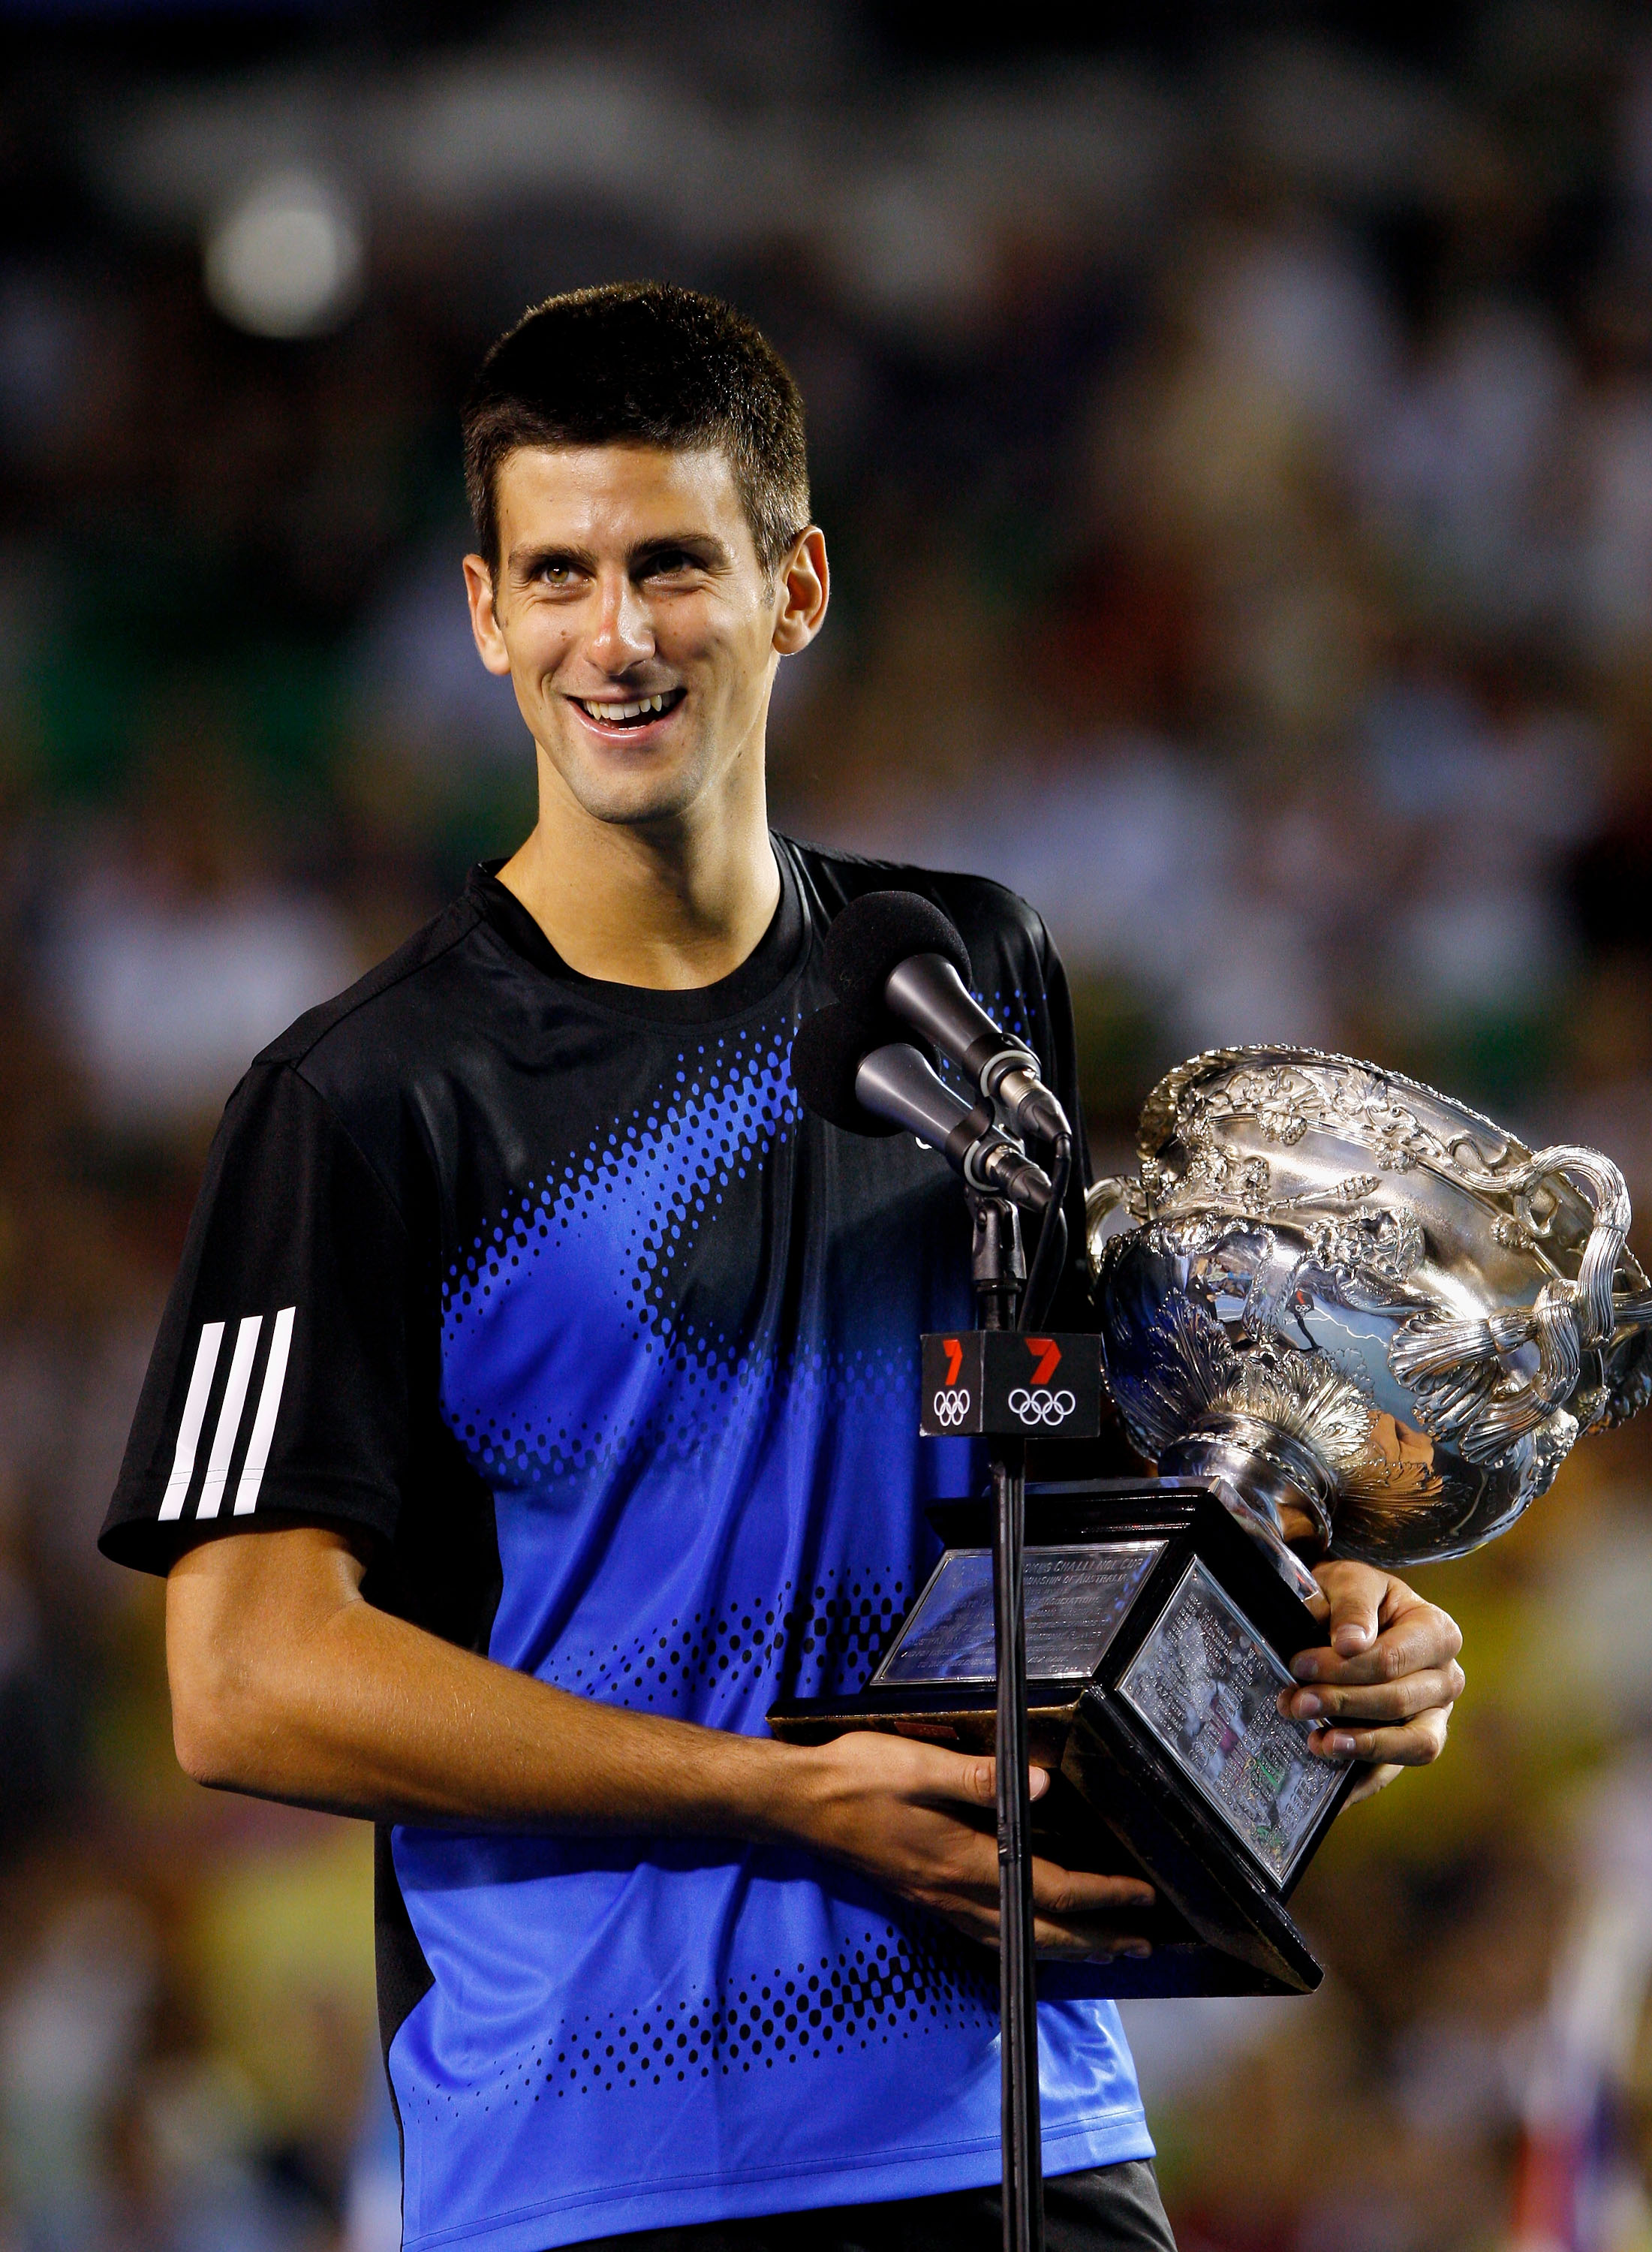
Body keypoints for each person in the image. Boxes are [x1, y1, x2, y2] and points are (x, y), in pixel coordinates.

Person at [98, 284, 1464, 2252]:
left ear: (794, 585)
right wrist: (774, 1792)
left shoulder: (965, 976)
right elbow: (242, 1684)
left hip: (1017, 2113)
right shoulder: (358, 1098)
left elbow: (1050, 1475)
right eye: (557, 575)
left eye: (672, 563)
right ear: (484, 615)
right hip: (602, 2168)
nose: (620, 635)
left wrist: (1311, 1619)